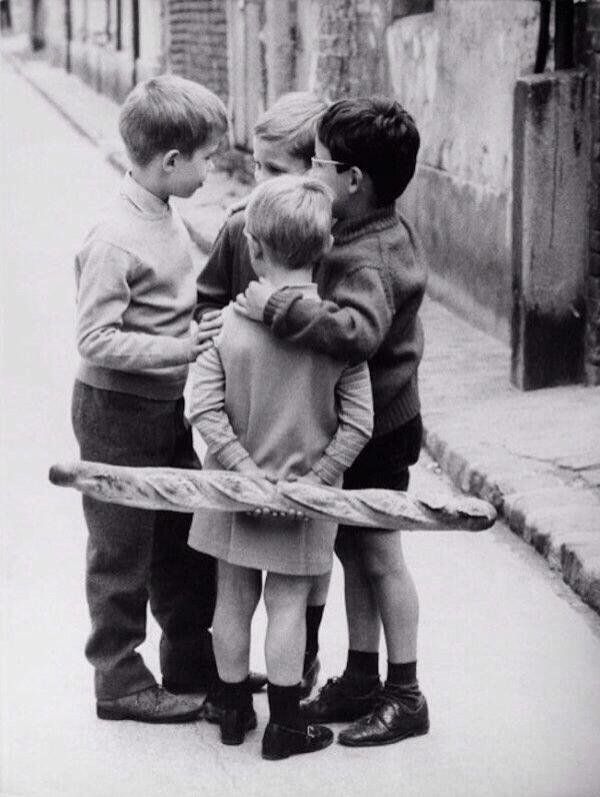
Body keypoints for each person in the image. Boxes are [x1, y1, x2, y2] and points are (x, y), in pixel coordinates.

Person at [235, 97, 430, 747]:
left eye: (316, 163)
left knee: (379, 556)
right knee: (353, 550)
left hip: (379, 429)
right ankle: (363, 676)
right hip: (372, 421)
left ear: (352, 179)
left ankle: (405, 691)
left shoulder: (367, 255)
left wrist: (281, 307)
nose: (309, 173)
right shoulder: (367, 227)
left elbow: (360, 332)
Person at [188, 175, 373, 759]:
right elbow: (359, 423)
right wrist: (315, 483)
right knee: (289, 604)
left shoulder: (228, 328)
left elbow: (204, 407)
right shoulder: (335, 334)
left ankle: (232, 708)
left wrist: (245, 472)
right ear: (323, 250)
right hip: (304, 500)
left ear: (254, 249)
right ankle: (287, 726)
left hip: (232, 491)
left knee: (233, 598)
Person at [71, 75, 230, 723]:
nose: (213, 169)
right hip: (115, 413)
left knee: (182, 534)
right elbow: (96, 339)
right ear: (170, 162)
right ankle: (119, 678)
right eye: (208, 159)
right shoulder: (114, 237)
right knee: (121, 547)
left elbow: (170, 304)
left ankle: (189, 657)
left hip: (163, 408)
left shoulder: (164, 214)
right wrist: (182, 348)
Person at [195, 91, 330, 702]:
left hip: (284, 448)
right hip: (259, 448)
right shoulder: (237, 229)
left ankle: (298, 668)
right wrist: (212, 331)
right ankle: (278, 704)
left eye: (275, 172)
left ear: (314, 171)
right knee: (263, 592)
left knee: (296, 589)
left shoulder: (329, 240)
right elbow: (207, 303)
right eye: (256, 168)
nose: (260, 186)